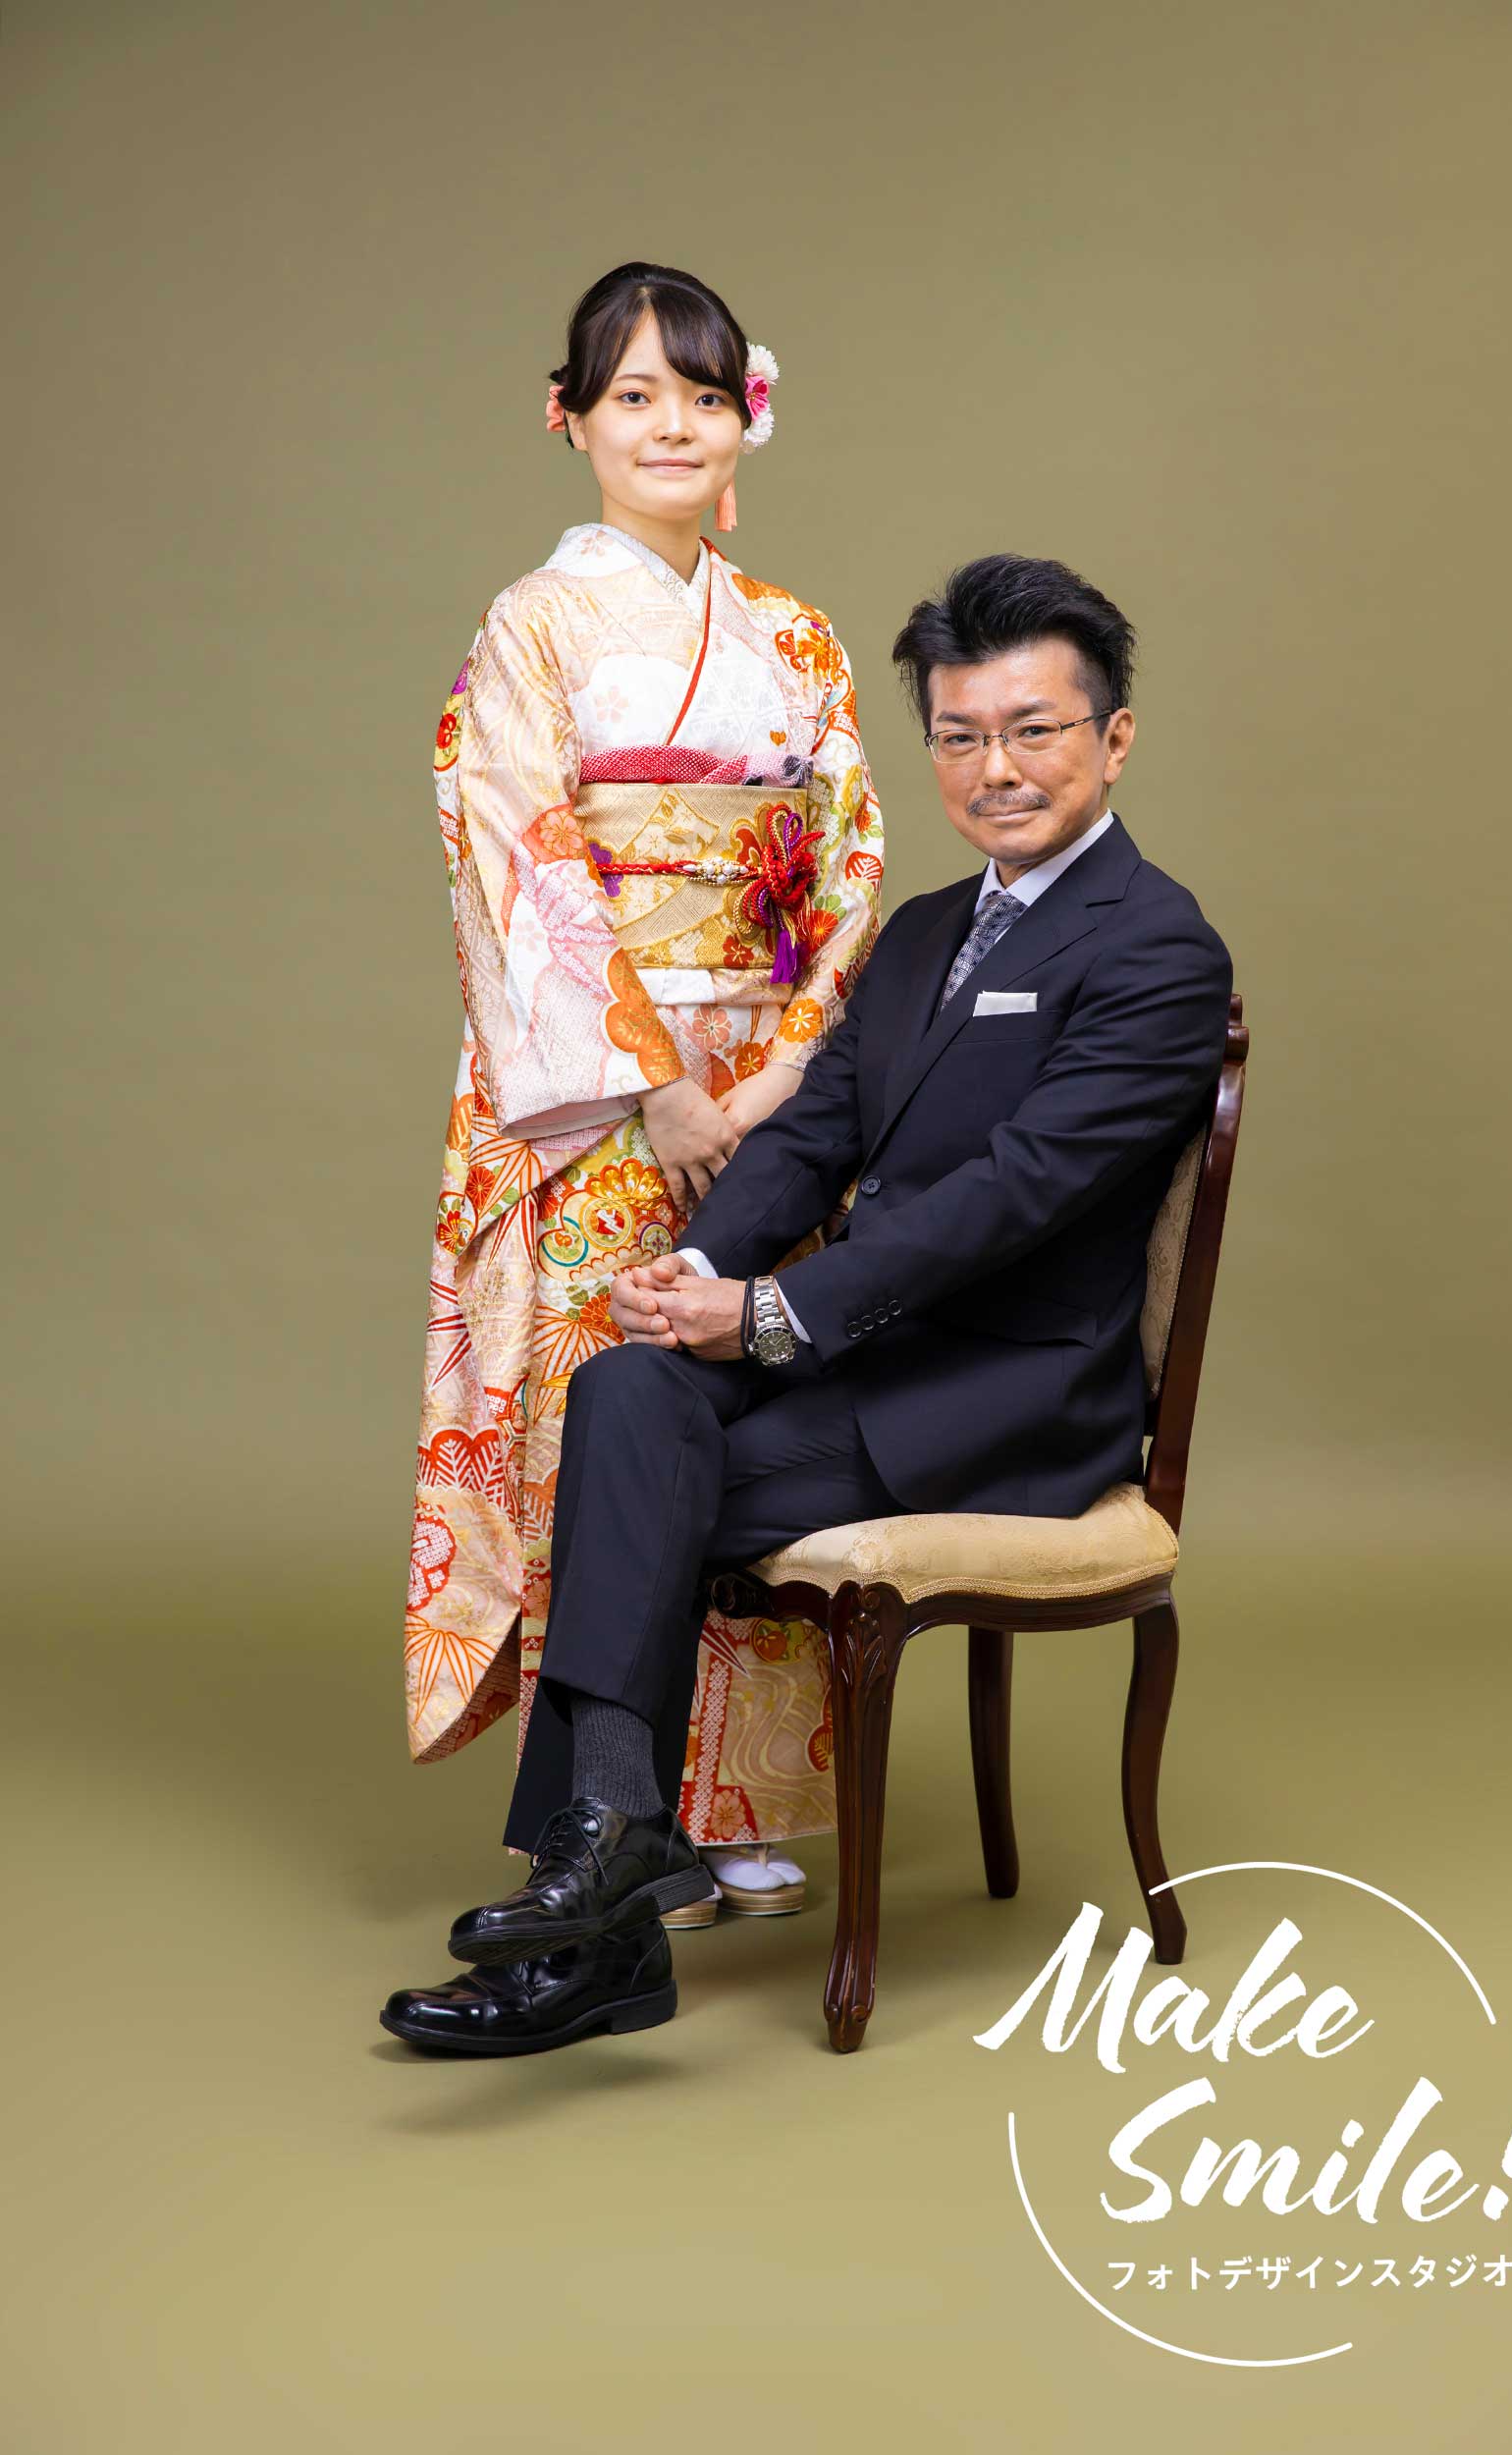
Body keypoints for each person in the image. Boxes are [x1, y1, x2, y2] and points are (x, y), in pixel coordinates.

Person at [382, 551, 1232, 2056]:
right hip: (867, 1359)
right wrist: (706, 1269)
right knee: (626, 1391)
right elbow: (812, 1135)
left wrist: (770, 1320)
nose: (996, 768)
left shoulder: (1158, 947)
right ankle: (615, 1856)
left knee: (645, 1476)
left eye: (1033, 730)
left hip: (1010, 1400)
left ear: (1112, 739)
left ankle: (587, 1922)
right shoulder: (920, 936)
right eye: (961, 736)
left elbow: (1016, 1193)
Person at [402, 263, 885, 1942]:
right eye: (631, 396)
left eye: (700, 394)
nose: (669, 425)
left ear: (745, 417)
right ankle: (611, 1810)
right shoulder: (532, 627)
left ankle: (734, 1803)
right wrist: (661, 1086)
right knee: (604, 1405)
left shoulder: (796, 636)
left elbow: (849, 863)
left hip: (770, 1077)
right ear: (569, 420)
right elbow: (515, 859)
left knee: (746, 1395)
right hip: (602, 1090)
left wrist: (789, 1070)